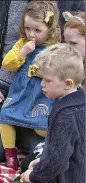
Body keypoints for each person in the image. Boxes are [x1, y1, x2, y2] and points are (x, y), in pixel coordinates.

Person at [0, 0, 85, 163]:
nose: (31, 33)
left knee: (45, 149)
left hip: (44, 93)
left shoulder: (72, 3)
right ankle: (15, 123)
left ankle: (21, 127)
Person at [0, 43, 85, 183]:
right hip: (73, 171)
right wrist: (40, 162)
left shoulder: (65, 116)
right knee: (24, 168)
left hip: (67, 181)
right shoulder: (77, 99)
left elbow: (58, 162)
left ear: (67, 83)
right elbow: (63, 149)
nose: (42, 85)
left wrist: (35, 176)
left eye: (48, 80)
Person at [21, 11, 85, 173]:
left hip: (78, 142)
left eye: (73, 43)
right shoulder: (66, 66)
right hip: (63, 134)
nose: (68, 48)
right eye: (66, 42)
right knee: (26, 163)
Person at [0, 1, 60, 170]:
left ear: (50, 29)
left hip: (41, 94)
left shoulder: (55, 48)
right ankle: (10, 154)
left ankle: (54, 147)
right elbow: (8, 64)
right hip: (21, 92)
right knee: (6, 116)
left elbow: (60, 71)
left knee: (43, 125)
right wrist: (21, 53)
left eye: (37, 30)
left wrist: (46, 72)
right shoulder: (22, 43)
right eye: (27, 28)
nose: (31, 34)